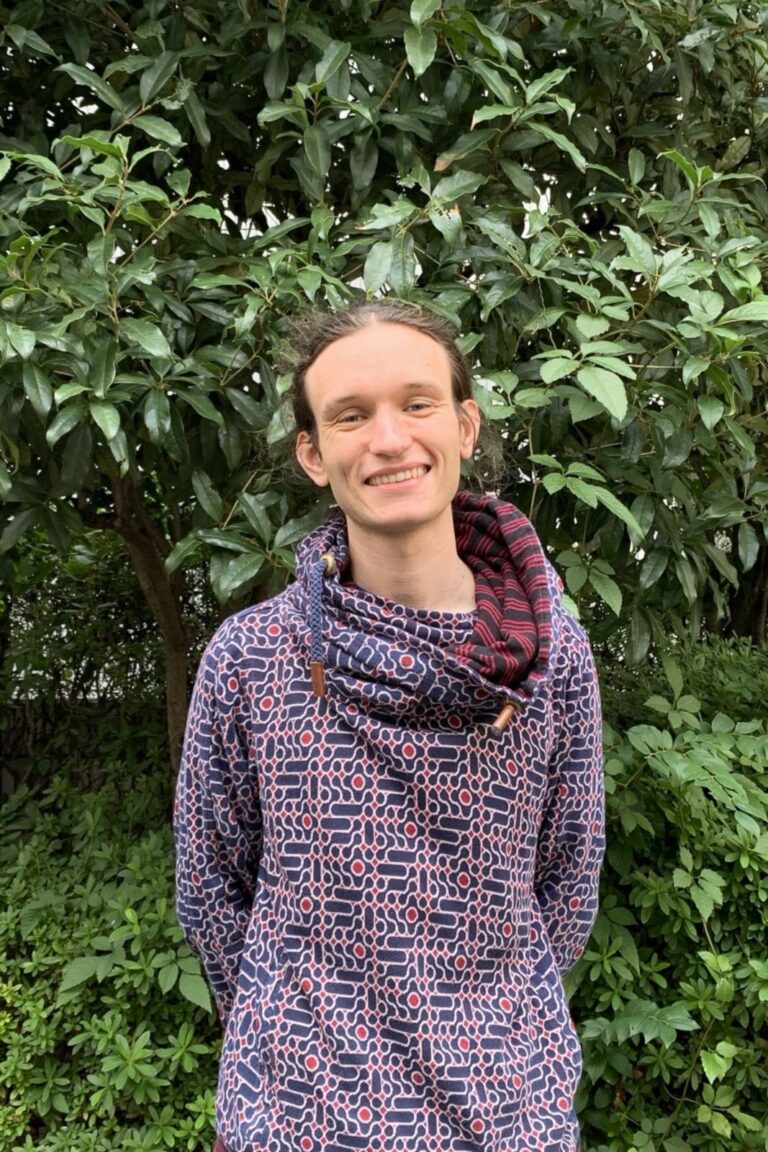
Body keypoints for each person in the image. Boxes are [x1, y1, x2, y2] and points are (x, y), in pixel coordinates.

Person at [174, 301, 605, 1152]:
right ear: (313, 454)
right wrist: (286, 1031)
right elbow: (209, 887)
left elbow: (568, 880)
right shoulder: (253, 658)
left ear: (464, 425)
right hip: (292, 1118)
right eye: (349, 415)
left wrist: (491, 1025)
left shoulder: (550, 657)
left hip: (505, 1116)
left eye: (417, 403)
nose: (389, 438)